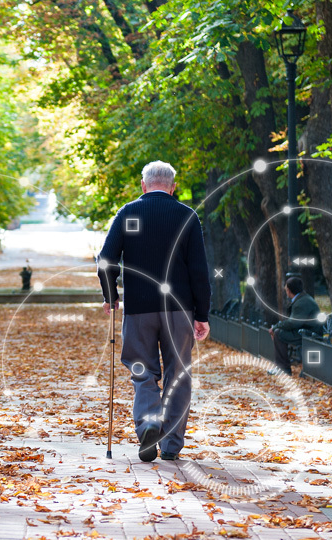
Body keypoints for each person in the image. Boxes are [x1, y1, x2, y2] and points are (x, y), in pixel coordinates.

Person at [97, 161, 211, 463]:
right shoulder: (187, 216)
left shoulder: (128, 213)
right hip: (179, 309)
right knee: (178, 374)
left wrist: (112, 295)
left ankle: (149, 423)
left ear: (143, 185)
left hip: (139, 309)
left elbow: (106, 260)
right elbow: (199, 270)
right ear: (173, 187)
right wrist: (203, 314)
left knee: (142, 371)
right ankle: (171, 445)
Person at [269, 276, 323, 376]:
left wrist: (275, 327)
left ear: (289, 290)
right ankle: (282, 367)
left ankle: (283, 368)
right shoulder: (303, 298)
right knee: (279, 332)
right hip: (307, 331)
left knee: (278, 334)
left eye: (285, 288)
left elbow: (293, 323)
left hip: (308, 334)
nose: (285, 290)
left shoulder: (301, 303)